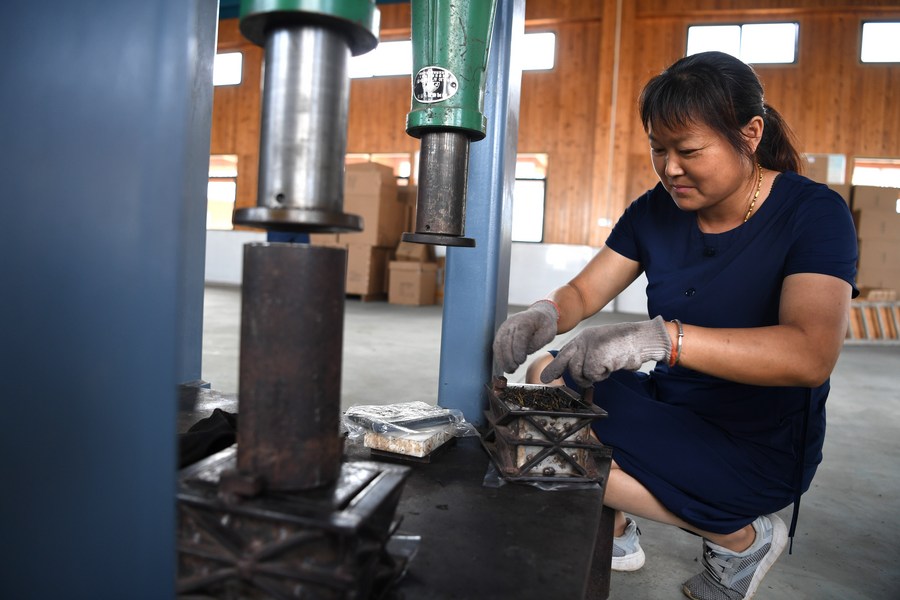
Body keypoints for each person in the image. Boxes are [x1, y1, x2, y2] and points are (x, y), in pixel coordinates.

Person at [492, 51, 858, 600]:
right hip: (671, 408)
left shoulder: (813, 214)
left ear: (750, 134)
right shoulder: (655, 210)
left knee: (540, 450)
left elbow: (810, 355)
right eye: (658, 149)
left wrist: (660, 339)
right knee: (548, 376)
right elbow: (584, 292)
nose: (669, 169)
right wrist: (546, 311)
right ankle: (618, 531)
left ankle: (741, 537)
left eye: (688, 151)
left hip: (757, 443)